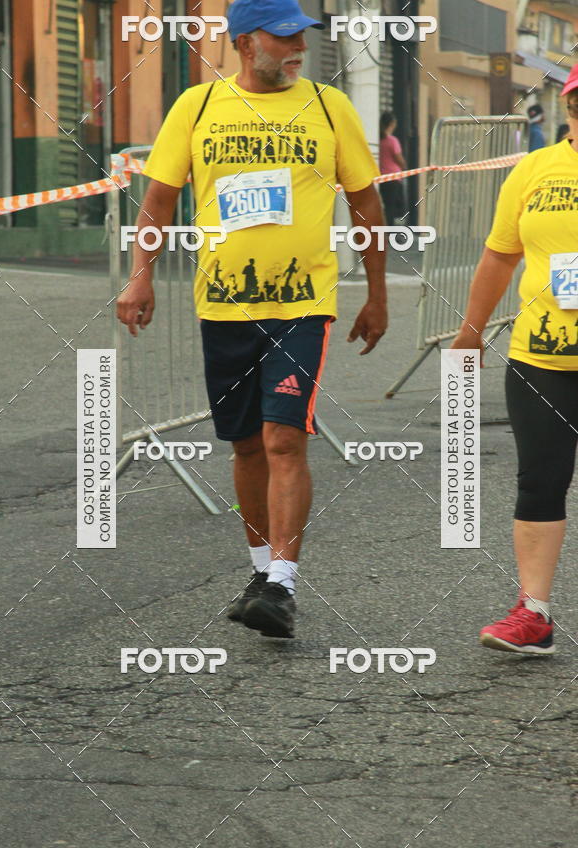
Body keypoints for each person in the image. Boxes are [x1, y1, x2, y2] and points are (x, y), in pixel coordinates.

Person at [116, 0, 388, 639]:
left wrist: (377, 295)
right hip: (224, 304)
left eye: (303, 37)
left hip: (303, 304)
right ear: (244, 41)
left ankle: (283, 585)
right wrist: (141, 274)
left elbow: (367, 203)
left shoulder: (329, 107)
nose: (298, 48)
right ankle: (263, 571)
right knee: (243, 445)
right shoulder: (197, 108)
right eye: (284, 37)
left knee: (283, 439)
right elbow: (158, 199)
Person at [452, 64, 578, 654]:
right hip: (542, 356)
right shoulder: (534, 169)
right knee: (540, 484)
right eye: (577, 104)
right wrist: (470, 332)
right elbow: (500, 256)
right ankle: (534, 613)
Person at [379, 111, 407, 225]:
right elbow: (399, 159)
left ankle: (386, 230)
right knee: (395, 208)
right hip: (394, 178)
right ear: (391, 124)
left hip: (381, 177)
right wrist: (404, 167)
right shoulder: (392, 141)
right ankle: (393, 232)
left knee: (386, 206)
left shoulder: (379, 140)